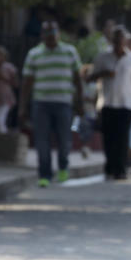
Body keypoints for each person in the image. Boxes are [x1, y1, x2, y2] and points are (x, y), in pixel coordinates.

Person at [19, 21, 84, 188]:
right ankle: (44, 174)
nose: (50, 38)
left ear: (58, 34)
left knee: (64, 140)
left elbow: (78, 79)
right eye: (47, 35)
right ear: (42, 36)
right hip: (41, 103)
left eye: (53, 34)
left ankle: (63, 166)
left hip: (63, 102)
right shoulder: (34, 54)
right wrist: (22, 107)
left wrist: (80, 101)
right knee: (42, 141)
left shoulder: (69, 52)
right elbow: (27, 82)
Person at [90, 26, 131, 180]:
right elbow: (91, 77)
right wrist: (104, 74)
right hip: (107, 103)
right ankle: (110, 166)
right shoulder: (102, 57)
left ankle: (121, 168)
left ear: (125, 41)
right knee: (109, 137)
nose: (118, 42)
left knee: (123, 137)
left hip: (126, 104)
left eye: (121, 39)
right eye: (116, 39)